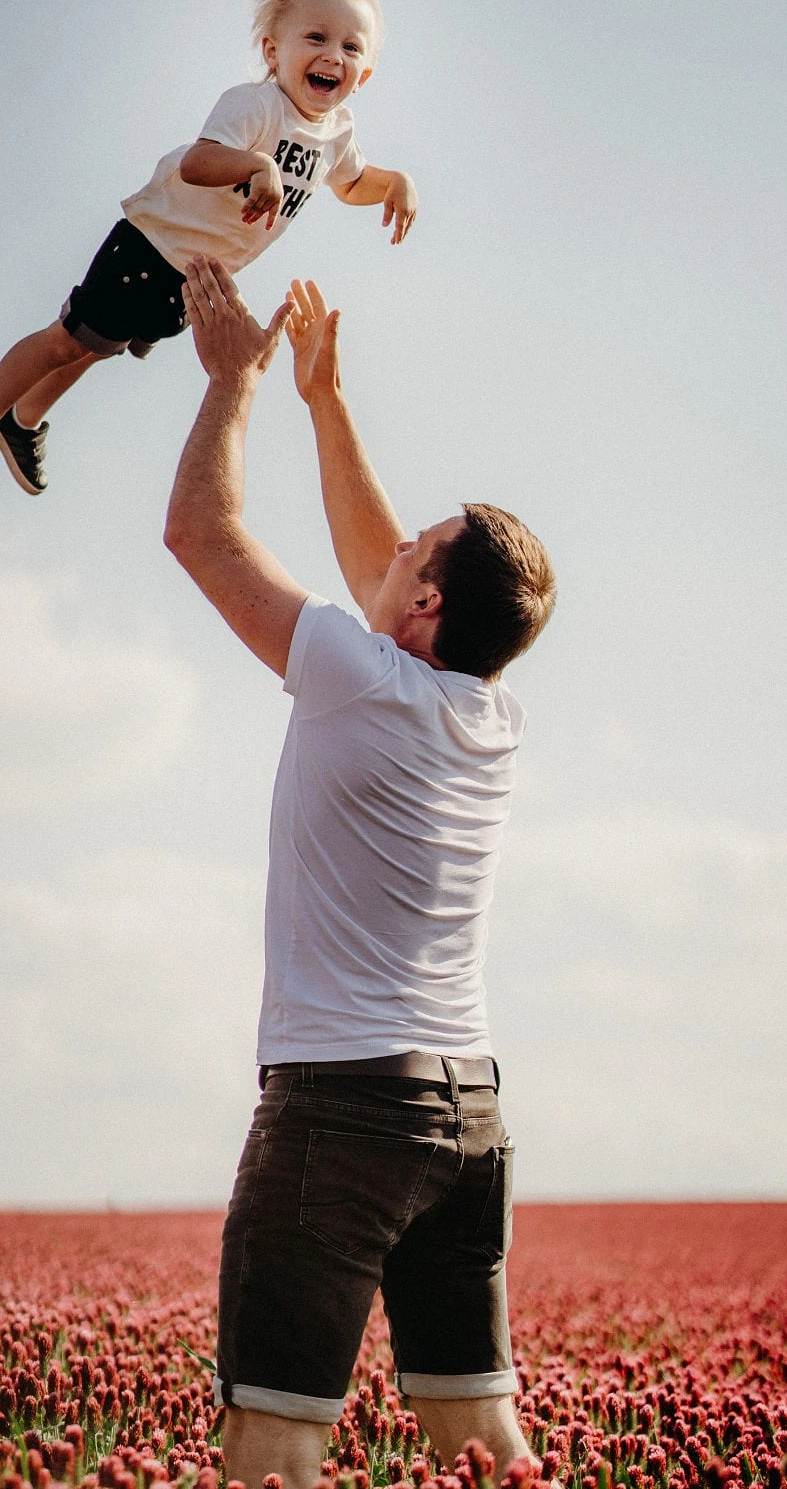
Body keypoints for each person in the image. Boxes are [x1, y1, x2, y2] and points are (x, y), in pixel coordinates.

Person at [163, 256, 557, 1489]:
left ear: (426, 602)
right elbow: (382, 564)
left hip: (341, 1107)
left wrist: (233, 382)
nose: (392, 550)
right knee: (481, 1441)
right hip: (466, 1113)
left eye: (416, 550)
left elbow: (200, 534)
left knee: (274, 1446)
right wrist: (325, 400)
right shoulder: (486, 715)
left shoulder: (354, 672)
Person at [0, 0, 416, 512]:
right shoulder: (257, 105)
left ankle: (23, 419)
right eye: (316, 38)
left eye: (351, 48)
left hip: (193, 272)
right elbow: (198, 163)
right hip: (152, 244)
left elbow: (350, 182)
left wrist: (395, 183)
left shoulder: (337, 133)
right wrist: (258, 165)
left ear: (364, 75)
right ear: (272, 51)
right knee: (69, 337)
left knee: (100, 346)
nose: (333, 55)